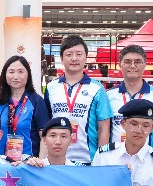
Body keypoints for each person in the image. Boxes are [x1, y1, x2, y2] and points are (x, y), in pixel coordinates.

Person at [42, 34, 113, 165]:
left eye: (79, 54)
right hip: (57, 162)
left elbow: (104, 128)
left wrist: (101, 161)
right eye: (69, 54)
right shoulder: (51, 88)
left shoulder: (97, 89)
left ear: (86, 57)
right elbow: (45, 126)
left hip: (88, 161)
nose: (74, 58)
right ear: (62, 58)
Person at [104, 45, 153, 154]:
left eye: (137, 62)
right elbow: (103, 131)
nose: (132, 66)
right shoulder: (108, 96)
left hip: (147, 160)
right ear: (120, 65)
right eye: (128, 62)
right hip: (115, 159)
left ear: (145, 65)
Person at [0, 54, 52, 162]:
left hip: (28, 164)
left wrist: (41, 163)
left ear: (28, 74)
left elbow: (44, 138)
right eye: (11, 72)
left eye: (21, 71)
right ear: (4, 75)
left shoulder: (36, 101)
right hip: (0, 163)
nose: (16, 76)